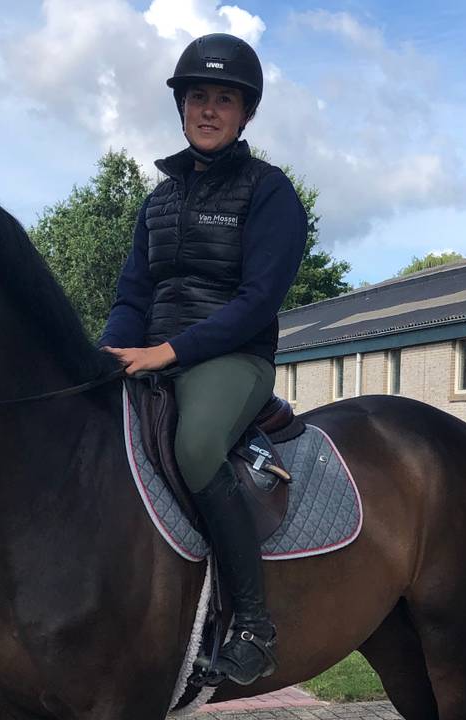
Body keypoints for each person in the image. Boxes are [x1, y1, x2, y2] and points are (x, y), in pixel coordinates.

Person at [99, 33, 307, 686]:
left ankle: (251, 622)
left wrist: (170, 350)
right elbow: (135, 293)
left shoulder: (270, 194)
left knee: (194, 445)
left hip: (232, 358)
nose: (208, 110)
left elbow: (255, 301)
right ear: (182, 107)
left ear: (245, 113)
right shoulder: (157, 201)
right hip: (154, 352)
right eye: (197, 97)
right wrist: (107, 352)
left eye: (223, 99)